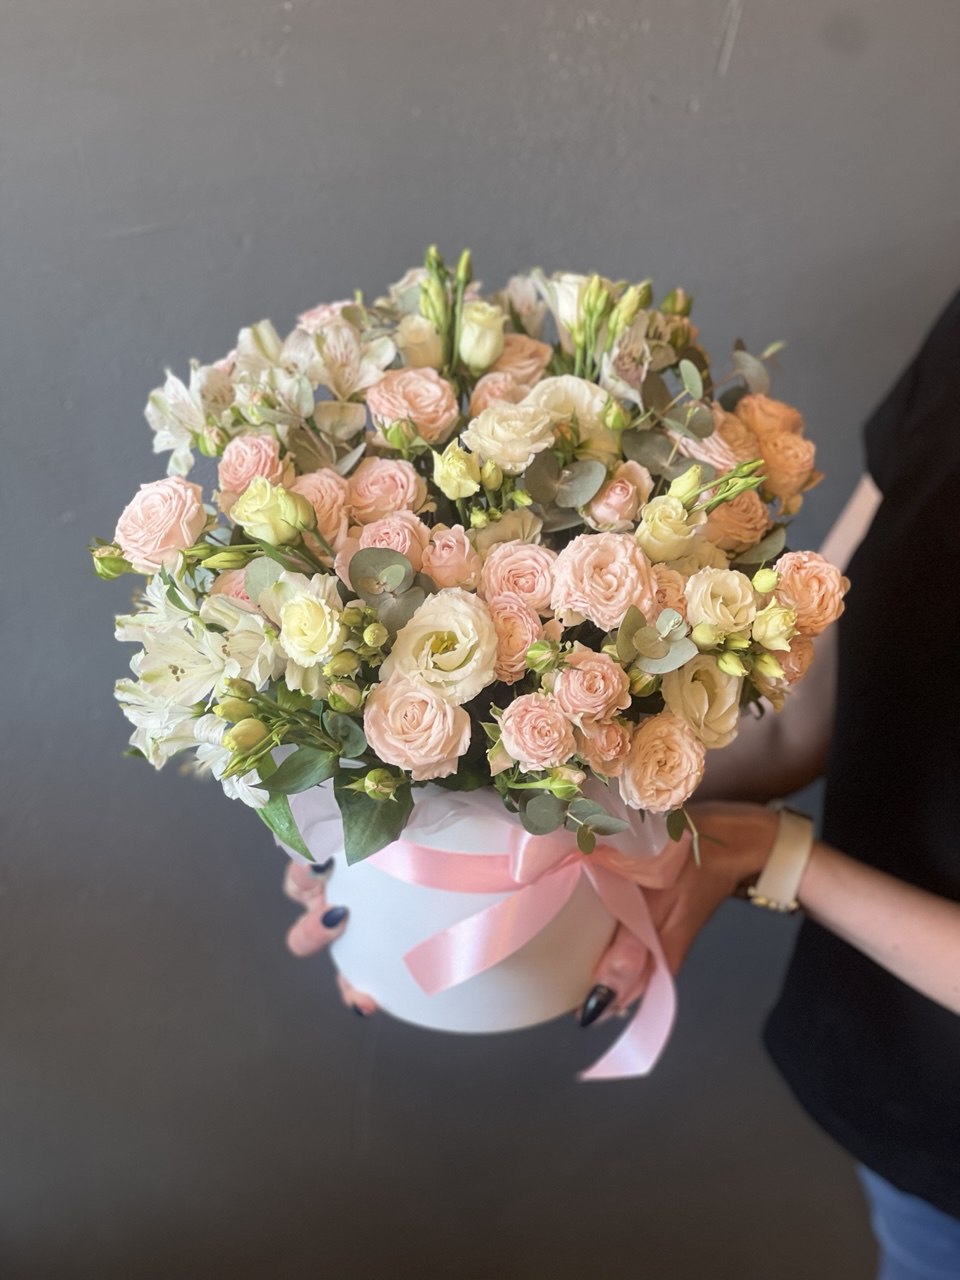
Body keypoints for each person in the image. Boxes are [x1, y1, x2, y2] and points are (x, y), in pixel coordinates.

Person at [283, 295, 960, 1277]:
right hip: (900, 1104)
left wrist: (775, 857)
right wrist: (459, 818)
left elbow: (767, 818)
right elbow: (805, 713)